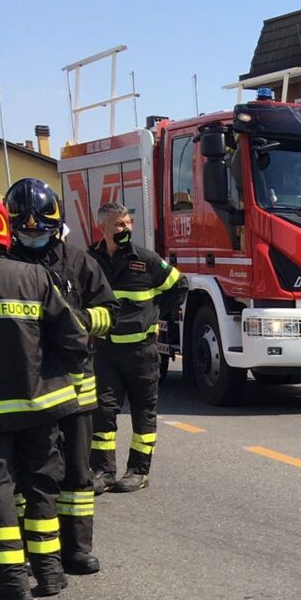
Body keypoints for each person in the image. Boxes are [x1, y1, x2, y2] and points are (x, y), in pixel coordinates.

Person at [5, 179, 118, 574]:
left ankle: (76, 549)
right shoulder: (7, 264)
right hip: (28, 391)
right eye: (25, 230)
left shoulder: (78, 262)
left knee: (76, 475)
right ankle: (32, 552)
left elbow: (110, 312)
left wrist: (76, 321)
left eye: (41, 229)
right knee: (28, 478)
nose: (33, 236)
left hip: (75, 388)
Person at [0, 198, 91, 600]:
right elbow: (73, 339)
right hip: (40, 406)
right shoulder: (35, 277)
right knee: (40, 486)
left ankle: (12, 583)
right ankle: (49, 574)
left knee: (1, 490)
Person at [88, 203, 188, 493]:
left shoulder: (145, 260)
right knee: (104, 413)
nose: (126, 229)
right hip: (106, 353)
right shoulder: (90, 260)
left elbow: (178, 285)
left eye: (129, 223)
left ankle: (138, 472)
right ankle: (103, 472)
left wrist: (155, 313)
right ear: (103, 228)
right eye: (119, 225)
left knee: (143, 412)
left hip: (142, 352)